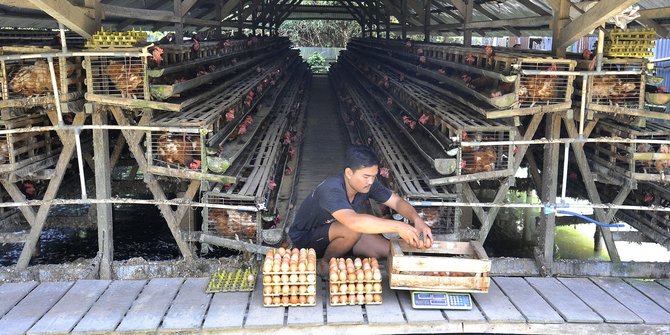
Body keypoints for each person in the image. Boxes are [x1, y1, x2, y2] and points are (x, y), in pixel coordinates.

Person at [288, 145, 433, 274]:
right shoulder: (331, 189)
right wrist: (398, 226)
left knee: (389, 251)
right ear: (349, 173)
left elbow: (396, 202)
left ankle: (342, 250)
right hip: (307, 239)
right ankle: (324, 264)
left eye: (374, 176)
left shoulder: (368, 184)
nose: (370, 181)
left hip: (340, 233)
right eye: (366, 176)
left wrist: (417, 220)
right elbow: (353, 222)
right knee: (353, 230)